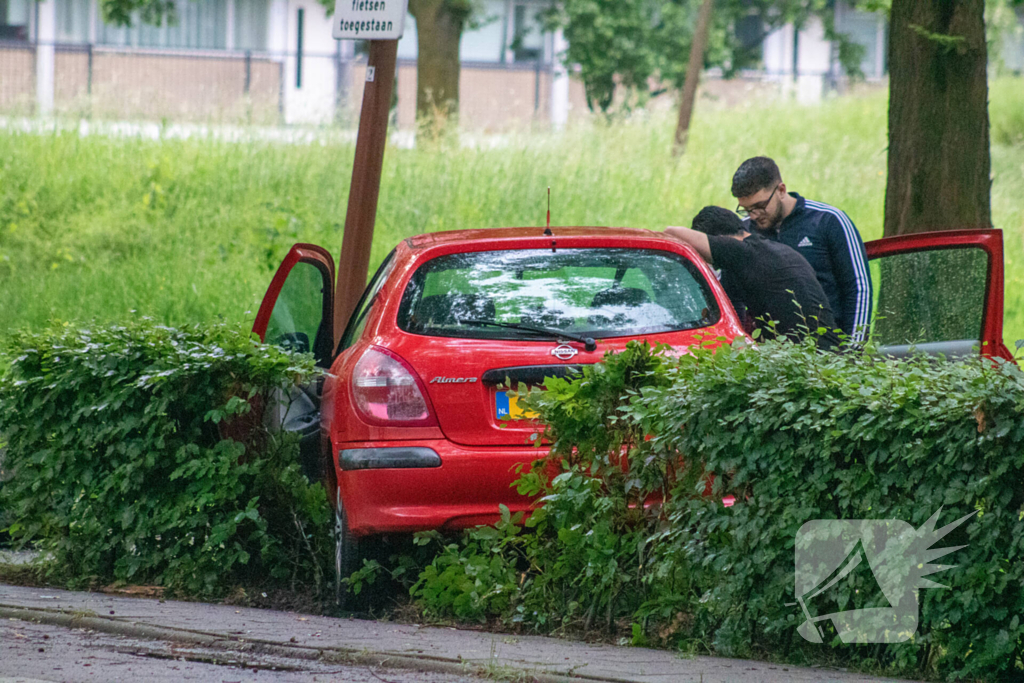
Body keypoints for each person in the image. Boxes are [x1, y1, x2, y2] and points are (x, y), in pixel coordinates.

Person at [731, 157, 871, 342]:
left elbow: (858, 288)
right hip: (768, 356)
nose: (754, 215)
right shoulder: (742, 233)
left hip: (830, 350)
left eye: (760, 206)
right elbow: (730, 298)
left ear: (781, 190)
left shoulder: (829, 221)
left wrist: (852, 353)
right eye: (746, 210)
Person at [666, 206, 840, 347]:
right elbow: (734, 319)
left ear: (720, 240)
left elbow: (671, 232)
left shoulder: (743, 253)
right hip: (829, 355)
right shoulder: (772, 252)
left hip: (809, 360)